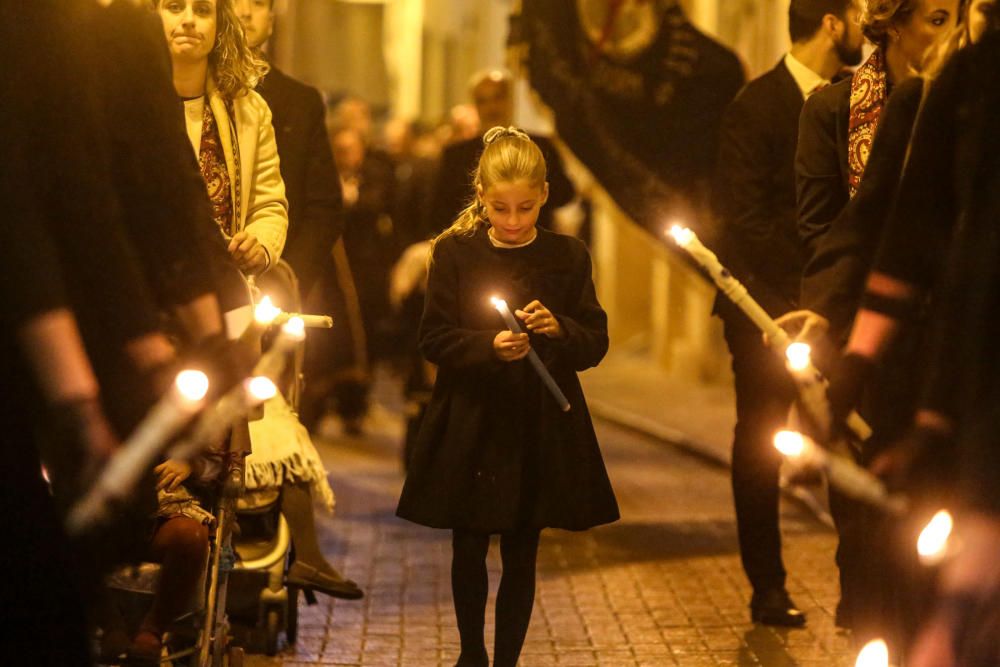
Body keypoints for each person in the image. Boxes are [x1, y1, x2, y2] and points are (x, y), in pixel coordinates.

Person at [396, 127, 619, 667]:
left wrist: (559, 328)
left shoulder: (567, 255)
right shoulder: (454, 253)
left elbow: (594, 340)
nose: (514, 221)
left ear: (544, 195)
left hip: (536, 421)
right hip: (472, 417)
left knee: (523, 547)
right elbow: (432, 337)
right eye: (500, 208)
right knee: (468, 542)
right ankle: (471, 653)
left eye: (525, 207)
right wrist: (486, 346)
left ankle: (506, 662)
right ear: (481, 197)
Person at [792, 0, 960, 636]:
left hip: (954, 352)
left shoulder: (964, 100)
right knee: (871, 539)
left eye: (968, 18)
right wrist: (823, 323)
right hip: (873, 346)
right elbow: (844, 232)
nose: (957, 36)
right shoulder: (856, 109)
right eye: (938, 18)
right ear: (892, 20)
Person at [711, 0, 865, 628]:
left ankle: (859, 589)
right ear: (832, 23)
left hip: (831, 308)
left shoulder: (857, 99)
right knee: (760, 444)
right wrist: (798, 302)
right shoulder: (757, 105)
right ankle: (767, 587)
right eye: (858, 13)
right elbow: (744, 220)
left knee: (844, 444)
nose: (866, 26)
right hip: (765, 312)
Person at [234, 0, 364, 600]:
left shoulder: (297, 100)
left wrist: (289, 278)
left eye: (257, 2)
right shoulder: (177, 90)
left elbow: (319, 206)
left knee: (272, 406)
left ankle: (292, 545)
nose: (244, 12)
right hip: (201, 286)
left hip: (271, 287)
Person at [426, 69, 575, 236]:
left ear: (510, 100)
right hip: (473, 247)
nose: (492, 107)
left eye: (498, 97)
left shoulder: (540, 146)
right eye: (483, 100)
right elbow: (440, 211)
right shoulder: (455, 155)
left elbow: (565, 194)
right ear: (475, 105)